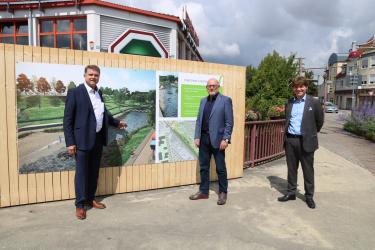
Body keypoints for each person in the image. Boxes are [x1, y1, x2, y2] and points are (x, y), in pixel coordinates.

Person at [63, 65, 126, 220]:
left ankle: (91, 199)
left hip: (97, 139)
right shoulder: (75, 93)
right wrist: (70, 142)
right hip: (81, 141)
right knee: (82, 174)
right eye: (90, 74)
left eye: (96, 75)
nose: (93, 77)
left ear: (99, 77)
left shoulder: (99, 93)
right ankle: (80, 204)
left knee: (93, 172)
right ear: (85, 75)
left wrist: (116, 122)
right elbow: (67, 120)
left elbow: (104, 114)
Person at [278, 76, 324, 209]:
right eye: (296, 87)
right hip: (291, 140)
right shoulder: (289, 102)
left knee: (308, 170)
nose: (299, 89)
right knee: (291, 169)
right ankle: (291, 192)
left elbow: (319, 122)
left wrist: (311, 133)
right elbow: (287, 120)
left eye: (301, 86)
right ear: (293, 88)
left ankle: (309, 196)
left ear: (306, 87)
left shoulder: (314, 102)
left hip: (306, 141)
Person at [189, 78, 234, 205]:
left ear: (218, 86)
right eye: (209, 86)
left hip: (218, 140)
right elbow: (199, 120)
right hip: (203, 139)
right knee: (204, 167)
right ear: (206, 88)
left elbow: (229, 122)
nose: (211, 88)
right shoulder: (203, 101)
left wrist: (226, 139)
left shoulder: (225, 100)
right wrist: (197, 136)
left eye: (214, 85)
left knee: (220, 168)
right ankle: (203, 192)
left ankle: (223, 192)